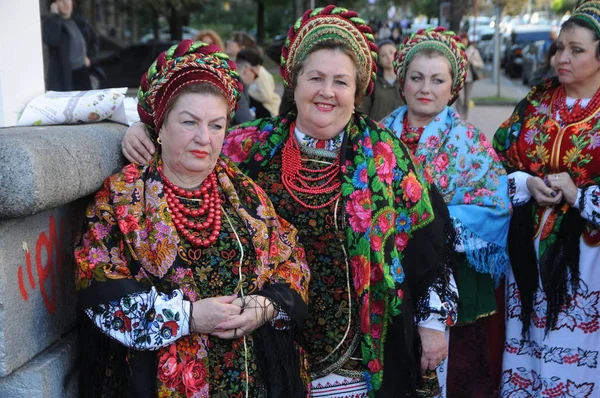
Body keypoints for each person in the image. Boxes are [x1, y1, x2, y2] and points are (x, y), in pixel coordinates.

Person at [122, 5, 455, 397]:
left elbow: (430, 248)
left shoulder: (387, 157)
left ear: (358, 90)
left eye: (340, 82)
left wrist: (433, 323)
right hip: (265, 352)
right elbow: (188, 136)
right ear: (293, 82)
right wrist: (139, 129)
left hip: (358, 363)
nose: (327, 92)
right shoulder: (247, 146)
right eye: (315, 77)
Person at [74, 40, 311, 397]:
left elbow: (291, 260)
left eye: (216, 126)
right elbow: (101, 292)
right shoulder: (121, 199)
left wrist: (265, 306)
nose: (204, 138)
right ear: (161, 126)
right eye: (189, 122)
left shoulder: (244, 193)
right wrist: (189, 317)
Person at [381, 27, 511, 397]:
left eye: (437, 80)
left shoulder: (469, 141)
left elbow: (496, 206)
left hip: (453, 273)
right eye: (417, 77)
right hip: (390, 272)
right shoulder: (379, 133)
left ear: (453, 87)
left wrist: (435, 223)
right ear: (401, 81)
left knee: (452, 376)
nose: (426, 88)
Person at [493, 2, 600, 395]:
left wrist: (582, 196)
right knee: (531, 352)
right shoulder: (537, 102)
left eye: (577, 50)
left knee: (578, 357)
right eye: (559, 48)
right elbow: (495, 161)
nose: (562, 58)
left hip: (589, 262)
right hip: (529, 252)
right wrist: (524, 184)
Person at [42, 0, 99, 91]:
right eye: (61, 0)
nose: (66, 3)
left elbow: (94, 39)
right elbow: (51, 40)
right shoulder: (51, 22)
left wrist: (89, 57)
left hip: (82, 73)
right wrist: (54, 16)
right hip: (63, 77)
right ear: (54, 4)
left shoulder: (80, 21)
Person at [226, 31, 281, 117]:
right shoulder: (233, 65)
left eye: (233, 40)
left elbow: (266, 96)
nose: (228, 42)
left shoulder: (257, 70)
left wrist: (246, 91)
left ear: (242, 47)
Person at [359, 39, 404, 121]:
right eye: (383, 55)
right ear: (379, 60)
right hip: (378, 131)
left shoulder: (405, 82)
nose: (389, 57)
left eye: (391, 52)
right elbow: (364, 111)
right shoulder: (373, 84)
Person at [236, 48, 274, 120]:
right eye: (256, 76)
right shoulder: (237, 90)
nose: (254, 81)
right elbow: (246, 122)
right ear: (246, 71)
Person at [454, 32, 484, 119]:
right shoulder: (457, 50)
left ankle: (465, 118)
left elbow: (481, 64)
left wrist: (472, 62)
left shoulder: (473, 51)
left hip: (469, 78)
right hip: (459, 78)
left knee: (467, 100)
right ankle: (459, 117)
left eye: (465, 40)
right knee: (459, 98)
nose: (464, 41)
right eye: (462, 39)